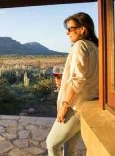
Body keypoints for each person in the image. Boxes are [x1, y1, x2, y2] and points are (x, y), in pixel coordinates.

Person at [46, 12, 99, 156]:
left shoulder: (80, 45)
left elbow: (78, 80)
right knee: (70, 147)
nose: (67, 32)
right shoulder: (95, 47)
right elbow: (88, 77)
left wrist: (64, 105)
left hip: (75, 106)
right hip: (89, 105)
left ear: (82, 29)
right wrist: (64, 81)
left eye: (70, 28)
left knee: (52, 144)